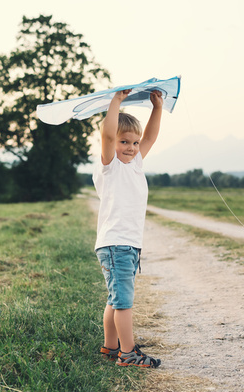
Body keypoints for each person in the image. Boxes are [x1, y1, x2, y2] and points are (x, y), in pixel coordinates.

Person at [93, 89, 163, 368]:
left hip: (128, 244)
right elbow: (108, 136)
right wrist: (116, 102)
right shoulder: (109, 166)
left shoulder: (134, 164)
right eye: (124, 142)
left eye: (133, 143)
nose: (132, 147)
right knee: (123, 302)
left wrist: (156, 108)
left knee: (116, 297)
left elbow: (149, 137)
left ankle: (111, 348)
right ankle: (128, 353)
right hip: (116, 244)